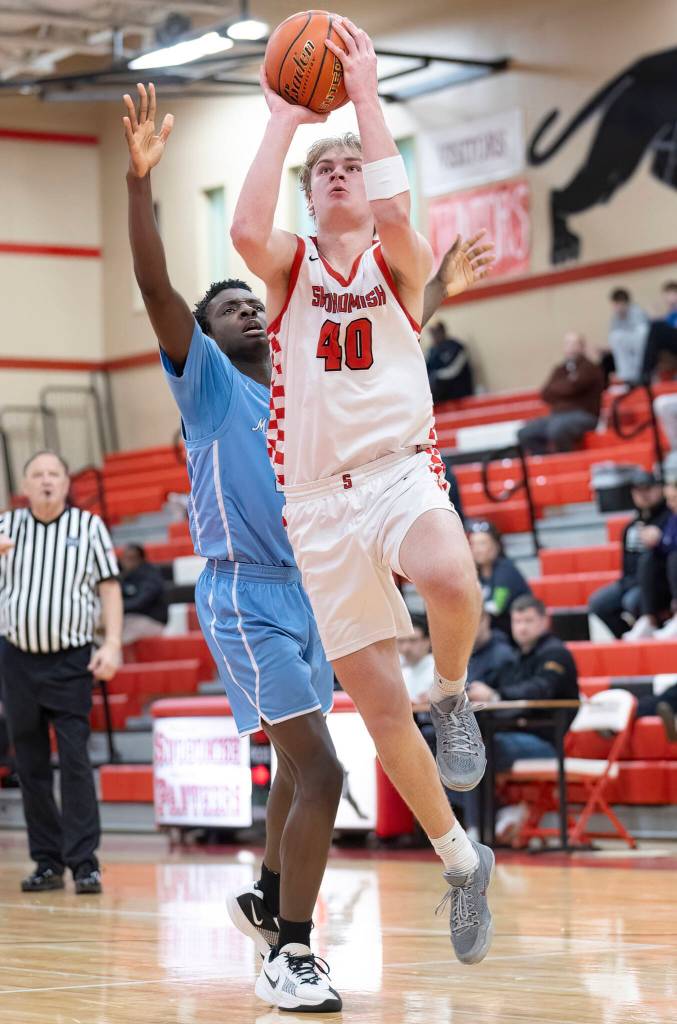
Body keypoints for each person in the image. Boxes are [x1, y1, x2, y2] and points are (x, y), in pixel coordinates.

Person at [122, 82, 487, 1010]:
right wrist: (138, 187)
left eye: (253, 301)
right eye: (228, 307)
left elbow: (382, 330)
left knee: (302, 764)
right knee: (319, 764)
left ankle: (261, 894)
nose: (247, 309)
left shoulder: (295, 362)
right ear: (201, 339)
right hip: (246, 591)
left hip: (311, 580)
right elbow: (158, 289)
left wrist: (437, 283)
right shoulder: (205, 384)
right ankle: (290, 946)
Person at [232, 17, 494, 975]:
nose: (340, 175)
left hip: (396, 468)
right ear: (309, 192)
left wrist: (366, 96)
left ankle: (456, 693)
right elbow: (243, 231)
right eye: (325, 169)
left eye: (352, 165)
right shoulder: (292, 267)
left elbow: (393, 216)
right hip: (315, 504)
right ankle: (461, 859)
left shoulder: (399, 260)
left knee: (452, 582)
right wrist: (279, 122)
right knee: (380, 711)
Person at [0, 451, 122, 894]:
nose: (47, 481)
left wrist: (111, 644)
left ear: (67, 483)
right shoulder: (6, 527)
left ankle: (84, 863)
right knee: (29, 765)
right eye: (38, 474)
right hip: (16, 658)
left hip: (71, 660)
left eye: (55, 474)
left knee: (75, 762)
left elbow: (109, 588)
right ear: (25, 485)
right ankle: (47, 863)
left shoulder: (88, 527)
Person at [466, 595, 579, 841]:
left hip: (545, 742)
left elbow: (539, 689)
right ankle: (497, 814)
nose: (522, 627)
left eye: (528, 620)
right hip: (512, 734)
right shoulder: (518, 655)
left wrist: (496, 695)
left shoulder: (555, 654)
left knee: (474, 749)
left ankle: (476, 826)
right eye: (517, 621)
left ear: (544, 621)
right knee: (449, 749)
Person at [589, 469, 669, 638]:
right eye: (638, 490)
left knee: (632, 601)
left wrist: (660, 541)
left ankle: (652, 631)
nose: (643, 495)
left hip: (659, 583)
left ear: (659, 489)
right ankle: (626, 637)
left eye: (648, 489)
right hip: (630, 581)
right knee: (598, 603)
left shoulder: (669, 520)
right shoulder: (630, 526)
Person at [518, 332, 604, 454]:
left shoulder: (589, 368)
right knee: (525, 433)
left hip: (584, 415)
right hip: (557, 416)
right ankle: (548, 460)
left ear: (582, 347)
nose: (570, 347)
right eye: (567, 343)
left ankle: (567, 461)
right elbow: (546, 393)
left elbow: (575, 387)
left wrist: (561, 388)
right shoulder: (559, 369)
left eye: (574, 344)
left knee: (557, 429)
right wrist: (567, 385)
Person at [623, 469, 677, 641]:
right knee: (649, 558)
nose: (670, 504)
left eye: (674, 499)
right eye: (669, 499)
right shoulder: (672, 519)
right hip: (662, 577)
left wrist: (660, 540)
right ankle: (648, 619)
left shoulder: (666, 517)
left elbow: (670, 546)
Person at [468, 521, 531, 638]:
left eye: (482, 544)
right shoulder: (474, 573)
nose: (477, 549)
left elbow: (497, 606)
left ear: (496, 545)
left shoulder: (505, 570)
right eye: (473, 544)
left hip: (511, 637)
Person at [119, 543, 168, 645]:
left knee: (115, 638)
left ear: (141, 559)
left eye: (132, 558)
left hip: (152, 621)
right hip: (130, 619)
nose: (127, 562)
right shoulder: (122, 575)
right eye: (125, 558)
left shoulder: (151, 576)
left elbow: (140, 602)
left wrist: (116, 608)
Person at [607, 287, 649, 384]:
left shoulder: (637, 312)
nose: (615, 307)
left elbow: (643, 335)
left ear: (624, 302)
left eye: (617, 304)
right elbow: (613, 338)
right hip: (627, 350)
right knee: (615, 337)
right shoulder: (615, 318)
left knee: (620, 336)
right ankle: (625, 375)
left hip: (641, 346)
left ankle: (640, 372)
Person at [426, 321, 474, 404]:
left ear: (443, 331)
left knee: (435, 382)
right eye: (432, 333)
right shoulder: (432, 351)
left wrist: (435, 376)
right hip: (440, 395)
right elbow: (426, 370)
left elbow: (453, 371)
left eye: (436, 332)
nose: (434, 336)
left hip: (459, 392)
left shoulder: (456, 347)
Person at [467, 609, 517, 689]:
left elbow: (511, 693)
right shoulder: (461, 655)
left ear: (486, 620)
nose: (467, 627)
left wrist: (492, 696)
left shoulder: (503, 655)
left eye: (471, 621)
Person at [640, 281, 677, 381]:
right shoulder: (668, 315)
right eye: (666, 295)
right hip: (671, 345)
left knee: (656, 326)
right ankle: (647, 374)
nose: (668, 298)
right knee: (651, 330)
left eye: (672, 294)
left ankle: (645, 374)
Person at [398, 615, 434, 703]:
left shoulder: (441, 670)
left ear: (427, 641)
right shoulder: (393, 667)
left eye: (413, 640)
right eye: (401, 641)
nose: (405, 648)